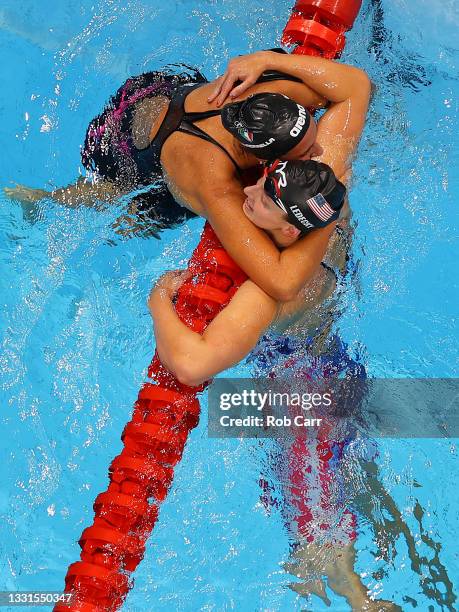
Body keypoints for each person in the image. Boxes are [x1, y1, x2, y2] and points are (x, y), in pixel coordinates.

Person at [4, 50, 371, 303]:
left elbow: (356, 87)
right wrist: (327, 210)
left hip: (156, 92)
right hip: (133, 152)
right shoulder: (215, 184)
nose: (318, 152)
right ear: (264, 160)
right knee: (124, 210)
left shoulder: (266, 98)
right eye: (306, 152)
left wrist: (267, 59)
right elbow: (282, 282)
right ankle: (41, 200)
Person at [148, 158, 347, 387]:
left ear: (290, 230)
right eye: (260, 182)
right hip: (331, 360)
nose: (247, 190)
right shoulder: (328, 214)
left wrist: (159, 298)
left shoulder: (262, 294)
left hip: (303, 389)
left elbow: (190, 368)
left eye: (263, 201)